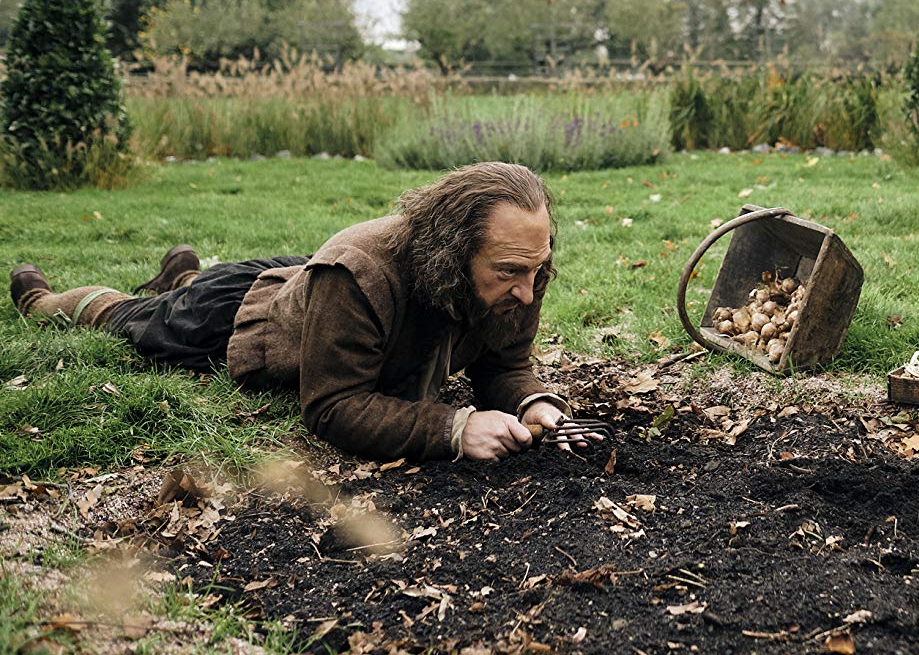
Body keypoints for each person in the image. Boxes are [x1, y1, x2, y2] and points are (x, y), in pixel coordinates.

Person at [9, 161, 575, 463]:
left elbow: (502, 364)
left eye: (535, 268)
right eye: (508, 273)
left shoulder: (521, 262)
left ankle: (183, 275)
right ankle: (46, 299)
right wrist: (454, 427)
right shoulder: (360, 275)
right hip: (233, 317)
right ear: (450, 253)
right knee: (137, 320)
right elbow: (333, 405)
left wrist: (532, 400)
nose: (527, 292)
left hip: (317, 287)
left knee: (187, 291)